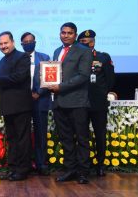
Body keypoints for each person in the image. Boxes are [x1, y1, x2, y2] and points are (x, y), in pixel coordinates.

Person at [47, 22, 92, 184]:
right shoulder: (57, 51)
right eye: (63, 32)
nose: (65, 35)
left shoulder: (84, 51)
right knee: (65, 139)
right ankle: (70, 169)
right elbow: (55, 73)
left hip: (77, 102)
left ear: (75, 34)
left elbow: (83, 76)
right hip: (59, 102)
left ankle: (83, 172)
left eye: (69, 33)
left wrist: (60, 86)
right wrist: (49, 83)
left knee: (81, 139)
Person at [0, 31, 33, 181]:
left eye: (6, 43)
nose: (3, 46)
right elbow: (5, 82)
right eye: (1, 44)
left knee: (23, 139)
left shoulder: (23, 57)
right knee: (12, 139)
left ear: (13, 42)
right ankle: (13, 168)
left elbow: (19, 77)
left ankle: (23, 169)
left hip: (21, 106)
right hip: (8, 106)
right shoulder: (2, 60)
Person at [77, 29, 115, 177]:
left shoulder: (103, 57)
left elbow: (110, 79)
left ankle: (100, 165)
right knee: (82, 135)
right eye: (81, 43)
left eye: (86, 42)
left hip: (98, 102)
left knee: (100, 134)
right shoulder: (77, 56)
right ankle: (84, 166)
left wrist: (102, 92)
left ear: (93, 41)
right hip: (80, 101)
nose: (84, 45)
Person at [20, 32, 51, 176]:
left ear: (35, 42)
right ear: (21, 44)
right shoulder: (18, 58)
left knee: (40, 134)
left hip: (41, 99)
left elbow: (49, 77)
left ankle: (41, 164)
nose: (28, 43)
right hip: (23, 101)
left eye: (30, 41)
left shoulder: (44, 58)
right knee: (23, 134)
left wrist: (38, 92)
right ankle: (25, 164)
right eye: (25, 42)